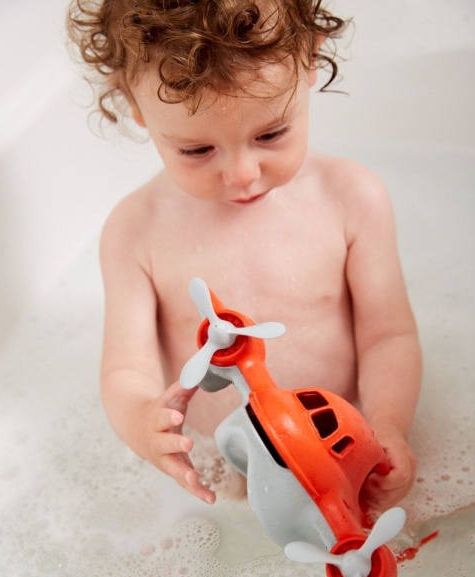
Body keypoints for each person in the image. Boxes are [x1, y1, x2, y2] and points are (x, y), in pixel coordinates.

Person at [67, 0, 422, 509]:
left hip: (347, 444)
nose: (241, 174)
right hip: (221, 470)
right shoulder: (134, 231)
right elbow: (126, 370)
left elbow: (387, 336)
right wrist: (145, 426)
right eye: (197, 150)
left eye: (270, 134)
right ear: (135, 105)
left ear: (309, 62)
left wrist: (387, 425)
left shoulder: (351, 198)